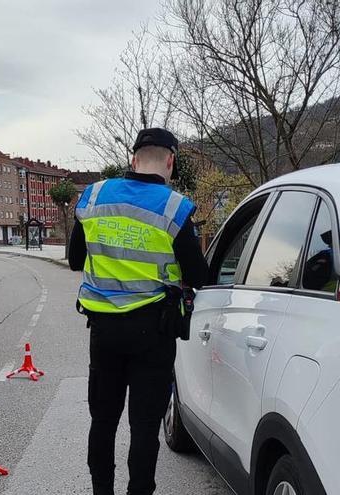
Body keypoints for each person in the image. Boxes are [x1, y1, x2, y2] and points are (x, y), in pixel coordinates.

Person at [68, 128, 208, 495]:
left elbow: (73, 260)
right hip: (153, 334)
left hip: (104, 333)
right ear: (170, 161)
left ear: (133, 158)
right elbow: (198, 275)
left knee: (103, 422)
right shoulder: (174, 207)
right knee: (144, 429)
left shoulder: (95, 196)